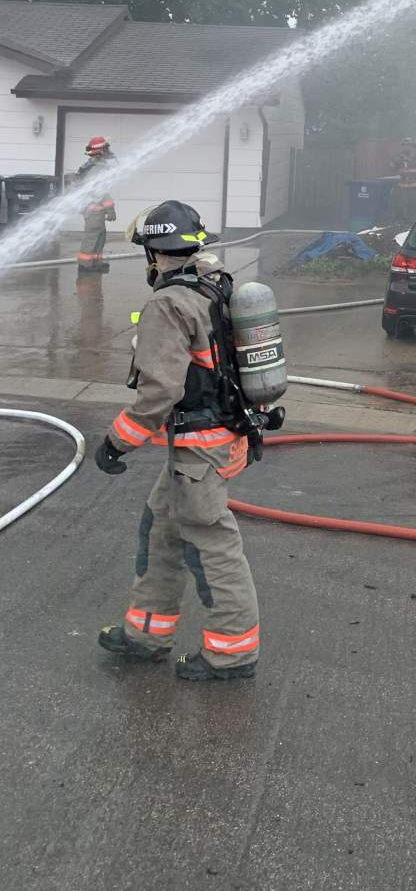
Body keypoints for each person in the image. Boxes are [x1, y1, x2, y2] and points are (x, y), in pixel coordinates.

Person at [95, 200, 261, 683]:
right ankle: (146, 635)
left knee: (211, 547)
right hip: (210, 442)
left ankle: (232, 653)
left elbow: (159, 392)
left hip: (198, 449)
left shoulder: (167, 303)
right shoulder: (213, 283)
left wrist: (116, 443)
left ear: (152, 253)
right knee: (162, 530)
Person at [74, 135, 117, 274]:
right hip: (93, 210)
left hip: (96, 210)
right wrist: (110, 209)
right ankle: (85, 266)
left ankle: (95, 263)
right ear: (101, 151)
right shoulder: (97, 169)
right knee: (92, 238)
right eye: (106, 148)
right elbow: (100, 191)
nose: (108, 150)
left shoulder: (94, 165)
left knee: (99, 237)